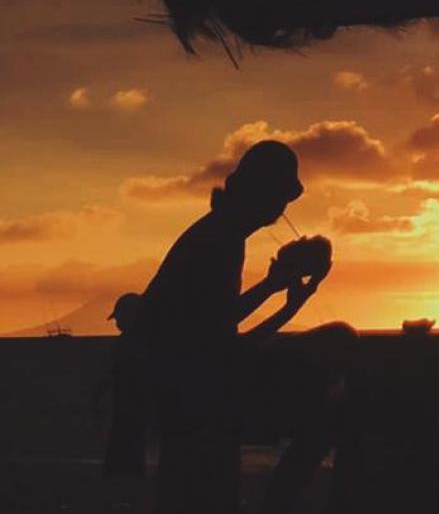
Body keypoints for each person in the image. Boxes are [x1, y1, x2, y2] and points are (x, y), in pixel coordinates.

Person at [139, 139, 356, 514]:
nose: (282, 208)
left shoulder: (217, 233)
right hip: (196, 397)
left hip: (181, 390)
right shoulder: (220, 241)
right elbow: (222, 349)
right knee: (335, 378)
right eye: (280, 196)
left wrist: (273, 288)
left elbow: (218, 323)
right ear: (261, 192)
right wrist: (289, 305)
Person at [93, 292, 149, 480]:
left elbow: (112, 372)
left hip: (128, 404)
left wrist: (97, 396)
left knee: (125, 439)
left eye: (119, 318)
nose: (117, 323)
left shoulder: (126, 345)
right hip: (136, 404)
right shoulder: (146, 343)